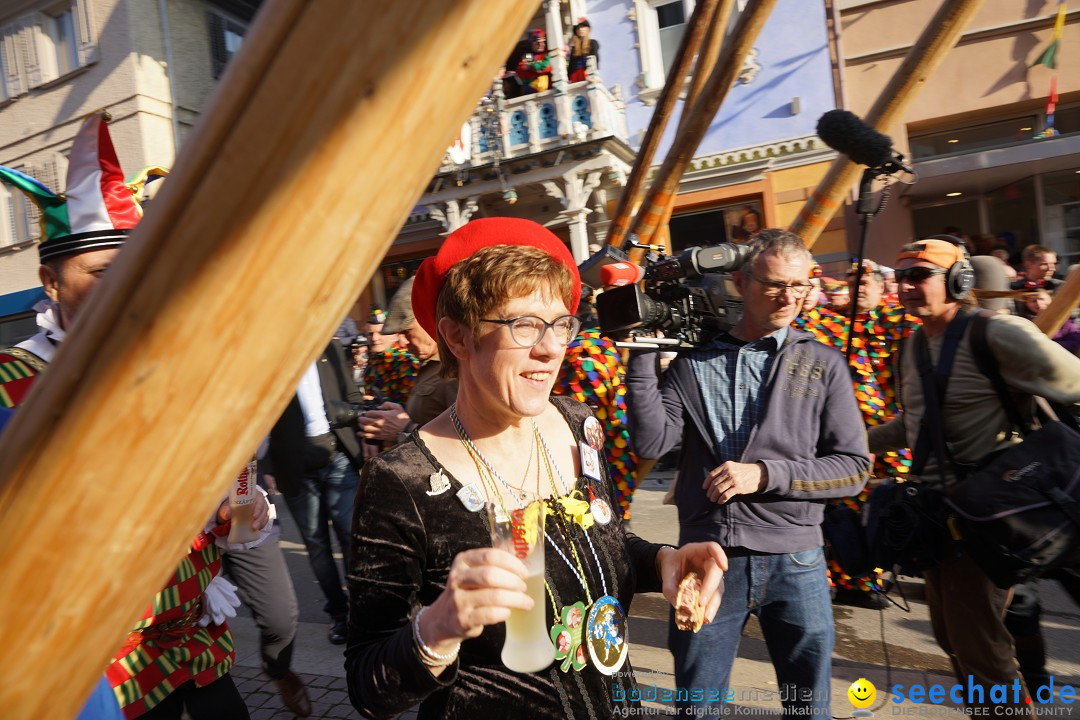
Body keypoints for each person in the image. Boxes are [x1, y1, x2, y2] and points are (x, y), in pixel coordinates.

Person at [345, 218, 726, 719]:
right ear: (458, 337)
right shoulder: (402, 480)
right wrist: (438, 628)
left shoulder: (578, 423)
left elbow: (599, 541)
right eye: (523, 324)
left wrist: (662, 562)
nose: (550, 348)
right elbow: (368, 687)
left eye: (560, 323)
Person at [0, 111, 269, 719]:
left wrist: (226, 516)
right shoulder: (10, 386)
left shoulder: (171, 374)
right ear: (49, 281)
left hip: (201, 655)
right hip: (103, 683)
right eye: (100, 274)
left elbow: (207, 503)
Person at [625, 228, 871, 717]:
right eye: (776, 284)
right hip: (707, 555)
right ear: (739, 280)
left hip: (797, 559)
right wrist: (641, 350)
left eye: (801, 286)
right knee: (697, 707)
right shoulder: (694, 363)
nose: (790, 298)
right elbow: (652, 441)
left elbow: (853, 469)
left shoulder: (822, 362)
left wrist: (763, 474)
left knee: (809, 707)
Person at [867, 237, 1080, 715]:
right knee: (952, 639)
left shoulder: (997, 331)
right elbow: (915, 423)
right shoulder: (915, 345)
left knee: (981, 649)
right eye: (901, 276)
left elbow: (1076, 383)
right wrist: (848, 444)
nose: (907, 285)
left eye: (919, 274)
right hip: (936, 517)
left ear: (958, 281)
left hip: (988, 515)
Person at [792, 259, 917, 608]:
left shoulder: (892, 319)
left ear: (881, 287)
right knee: (834, 507)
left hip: (887, 434)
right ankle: (835, 577)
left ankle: (865, 578)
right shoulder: (827, 321)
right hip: (830, 434)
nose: (858, 286)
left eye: (866, 281)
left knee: (881, 508)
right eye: (852, 281)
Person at [265, 339, 364, 645]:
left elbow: (352, 396)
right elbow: (258, 419)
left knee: (351, 536)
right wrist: (267, 465)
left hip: (337, 456)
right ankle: (338, 614)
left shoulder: (329, 349)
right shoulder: (267, 360)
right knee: (317, 545)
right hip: (294, 467)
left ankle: (360, 614)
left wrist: (360, 429)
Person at [358, 276, 458, 446]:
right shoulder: (430, 366)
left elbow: (469, 444)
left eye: (407, 331)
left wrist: (404, 429)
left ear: (430, 320)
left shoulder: (457, 370)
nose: (402, 342)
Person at [516, 29, 553, 94]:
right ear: (531, 43)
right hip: (532, 92)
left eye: (543, 42)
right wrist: (539, 69)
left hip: (549, 91)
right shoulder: (528, 55)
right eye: (538, 42)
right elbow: (521, 72)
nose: (541, 44)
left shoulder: (547, 54)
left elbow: (548, 67)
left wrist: (532, 67)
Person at [568, 17, 599, 83]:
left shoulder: (592, 43)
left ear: (588, 29)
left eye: (583, 27)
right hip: (575, 76)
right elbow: (571, 66)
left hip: (587, 73)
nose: (580, 29)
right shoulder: (574, 48)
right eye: (578, 28)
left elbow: (595, 59)